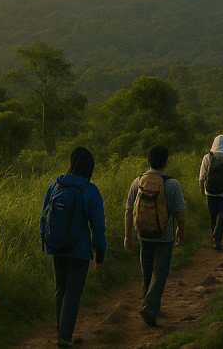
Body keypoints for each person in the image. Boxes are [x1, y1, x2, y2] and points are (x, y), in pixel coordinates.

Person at [40, 146, 107, 348]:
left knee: (60, 288)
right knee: (73, 292)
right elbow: (98, 225)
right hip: (79, 251)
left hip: (56, 247)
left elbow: (44, 216)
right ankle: (65, 337)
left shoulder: (55, 185)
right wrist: (100, 253)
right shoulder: (90, 190)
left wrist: (46, 242)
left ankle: (62, 331)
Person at [123, 144, 186, 327]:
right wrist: (181, 233)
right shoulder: (172, 184)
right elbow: (180, 214)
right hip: (164, 237)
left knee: (146, 271)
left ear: (148, 161)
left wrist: (128, 236)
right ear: (166, 162)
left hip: (143, 236)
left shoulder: (138, 181)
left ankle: (149, 305)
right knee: (160, 273)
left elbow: (128, 211)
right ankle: (150, 307)